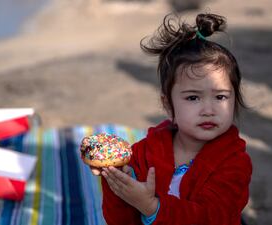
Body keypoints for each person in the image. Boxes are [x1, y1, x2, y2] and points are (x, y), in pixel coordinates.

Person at [90, 12, 252, 225]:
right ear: (168, 104)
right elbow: (120, 221)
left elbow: (211, 218)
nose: (208, 109)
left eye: (220, 96)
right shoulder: (144, 152)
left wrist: (151, 207)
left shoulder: (235, 163)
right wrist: (117, 183)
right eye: (193, 97)